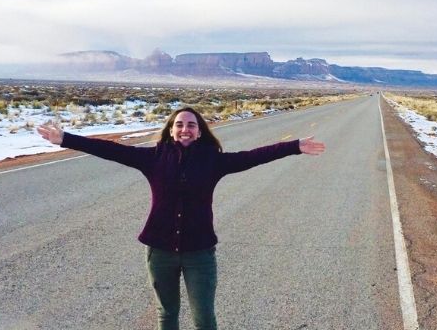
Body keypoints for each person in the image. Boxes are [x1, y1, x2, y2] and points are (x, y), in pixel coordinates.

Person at [37, 107, 326, 330]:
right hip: (159, 250)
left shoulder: (214, 160)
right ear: (171, 130)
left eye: (191, 125)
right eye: (179, 124)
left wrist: (294, 146)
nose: (185, 129)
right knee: (167, 315)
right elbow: (110, 150)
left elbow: (253, 156)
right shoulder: (153, 158)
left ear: (199, 132)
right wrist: (64, 139)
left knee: (204, 319)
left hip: (200, 253)